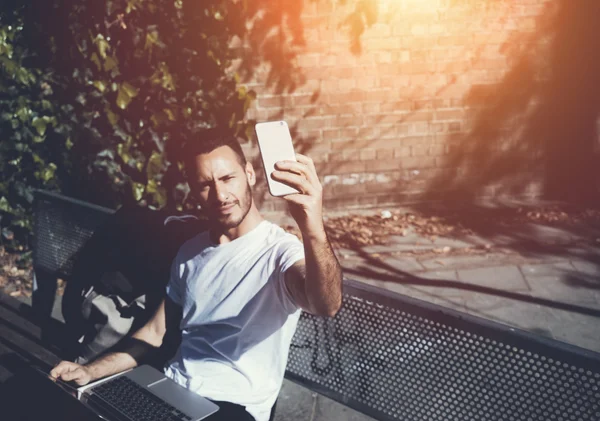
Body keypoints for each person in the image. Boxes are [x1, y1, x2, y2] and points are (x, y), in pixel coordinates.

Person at [50, 129, 343, 421]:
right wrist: (90, 371)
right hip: (171, 389)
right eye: (205, 184)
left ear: (249, 175)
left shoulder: (279, 251)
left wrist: (312, 227)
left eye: (228, 178)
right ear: (193, 190)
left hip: (234, 407)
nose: (220, 195)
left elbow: (325, 304)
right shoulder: (190, 252)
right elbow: (154, 333)